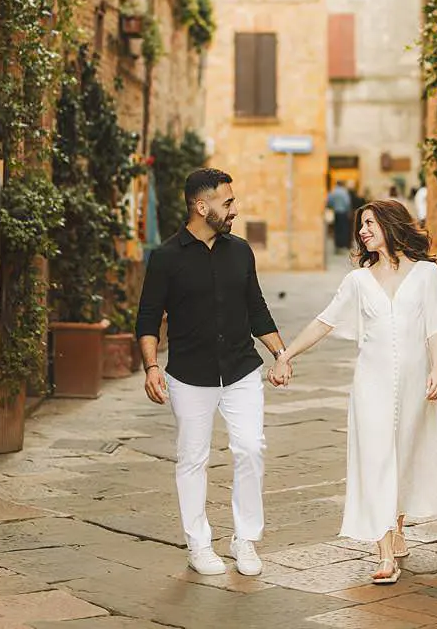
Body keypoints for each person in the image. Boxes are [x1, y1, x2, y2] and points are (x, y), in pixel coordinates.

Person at [269, 199, 437, 585]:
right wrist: (285, 355)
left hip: (415, 383)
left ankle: (398, 524)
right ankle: (384, 552)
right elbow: (324, 322)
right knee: (375, 459)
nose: (363, 231)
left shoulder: (426, 275)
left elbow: (436, 326)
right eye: (361, 225)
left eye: (369, 223)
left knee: (405, 454)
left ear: (390, 224)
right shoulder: (358, 281)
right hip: (370, 384)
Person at [135, 167, 288, 578]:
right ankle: (198, 545)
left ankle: (245, 539)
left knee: (251, 448)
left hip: (241, 370)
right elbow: (148, 318)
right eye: (228, 202)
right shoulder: (166, 258)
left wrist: (280, 353)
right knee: (192, 459)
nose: (235, 209)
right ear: (202, 207)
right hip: (188, 375)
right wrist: (152, 367)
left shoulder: (240, 251)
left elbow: (257, 308)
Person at [326, 180, 353, 255]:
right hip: (343, 213)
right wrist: (348, 211)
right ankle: (342, 245)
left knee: (336, 229)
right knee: (343, 229)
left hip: (336, 213)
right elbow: (347, 202)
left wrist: (333, 206)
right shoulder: (344, 192)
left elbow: (329, 202)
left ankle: (337, 245)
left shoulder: (333, 191)